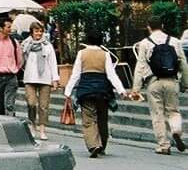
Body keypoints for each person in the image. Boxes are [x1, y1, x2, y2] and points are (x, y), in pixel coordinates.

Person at [64, 28, 129, 158]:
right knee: (102, 119)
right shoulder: (105, 54)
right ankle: (102, 145)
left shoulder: (82, 54)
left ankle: (94, 144)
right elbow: (111, 74)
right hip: (102, 90)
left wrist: (68, 91)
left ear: (87, 40)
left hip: (86, 89)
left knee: (89, 119)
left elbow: (76, 74)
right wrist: (121, 90)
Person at [130, 17, 186, 155]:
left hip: (153, 82)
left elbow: (140, 66)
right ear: (162, 25)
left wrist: (135, 89)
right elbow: (183, 64)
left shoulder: (144, 43)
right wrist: (185, 82)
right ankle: (176, 130)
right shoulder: (175, 41)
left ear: (149, 27)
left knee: (157, 113)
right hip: (172, 81)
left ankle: (163, 145)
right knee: (173, 110)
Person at [20, 21, 60, 142]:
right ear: (31, 32)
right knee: (31, 103)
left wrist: (55, 79)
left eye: (41, 31)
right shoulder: (25, 44)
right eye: (36, 31)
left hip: (45, 78)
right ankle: (33, 125)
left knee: (44, 106)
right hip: (30, 78)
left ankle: (42, 129)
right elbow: (21, 60)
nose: (39, 33)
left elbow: (53, 62)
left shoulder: (47, 45)